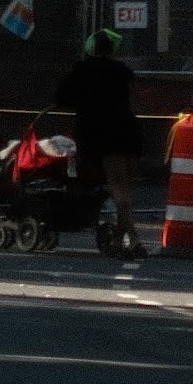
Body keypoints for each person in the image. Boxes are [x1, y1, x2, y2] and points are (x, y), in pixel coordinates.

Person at [52, 33, 142, 250]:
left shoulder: (83, 70)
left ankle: (132, 236)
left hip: (101, 134)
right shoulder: (123, 71)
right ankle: (121, 238)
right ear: (111, 50)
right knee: (125, 187)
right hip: (129, 131)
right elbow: (134, 99)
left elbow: (62, 96)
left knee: (116, 187)